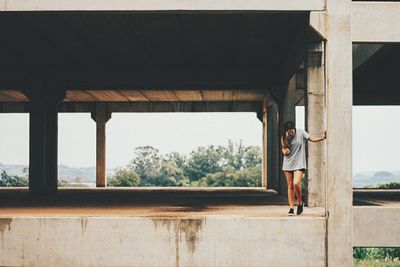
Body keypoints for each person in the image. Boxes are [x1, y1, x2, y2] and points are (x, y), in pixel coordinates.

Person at [281, 121, 326, 216]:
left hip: (299, 163)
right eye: (289, 132)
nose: (291, 133)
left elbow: (311, 138)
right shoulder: (284, 136)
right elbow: (283, 150)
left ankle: (300, 202)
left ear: (294, 128)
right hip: (288, 163)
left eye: (292, 131)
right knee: (290, 186)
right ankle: (291, 208)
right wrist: (285, 151)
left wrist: (322, 137)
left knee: (296, 182)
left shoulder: (301, 132)